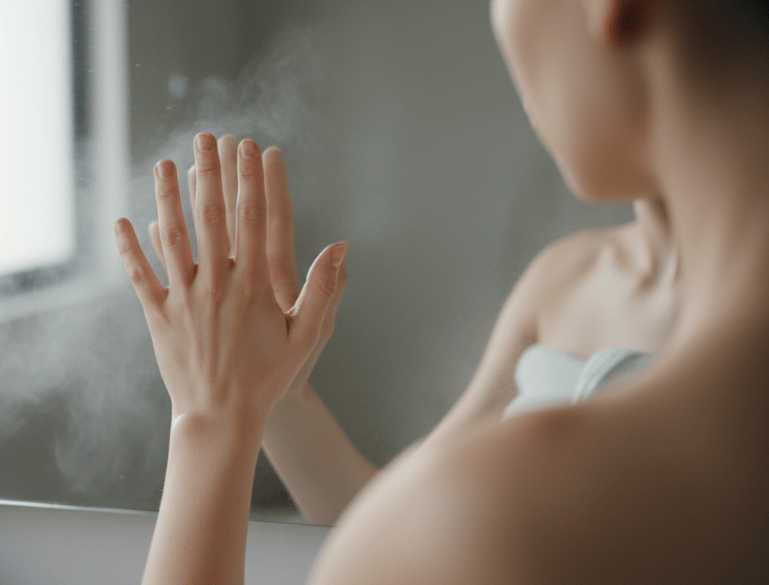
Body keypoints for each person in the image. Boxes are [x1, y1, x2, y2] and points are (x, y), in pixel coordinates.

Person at [112, 0, 769, 582]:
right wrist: (274, 399)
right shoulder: (563, 278)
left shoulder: (471, 525)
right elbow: (391, 508)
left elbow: (422, 534)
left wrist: (208, 421)